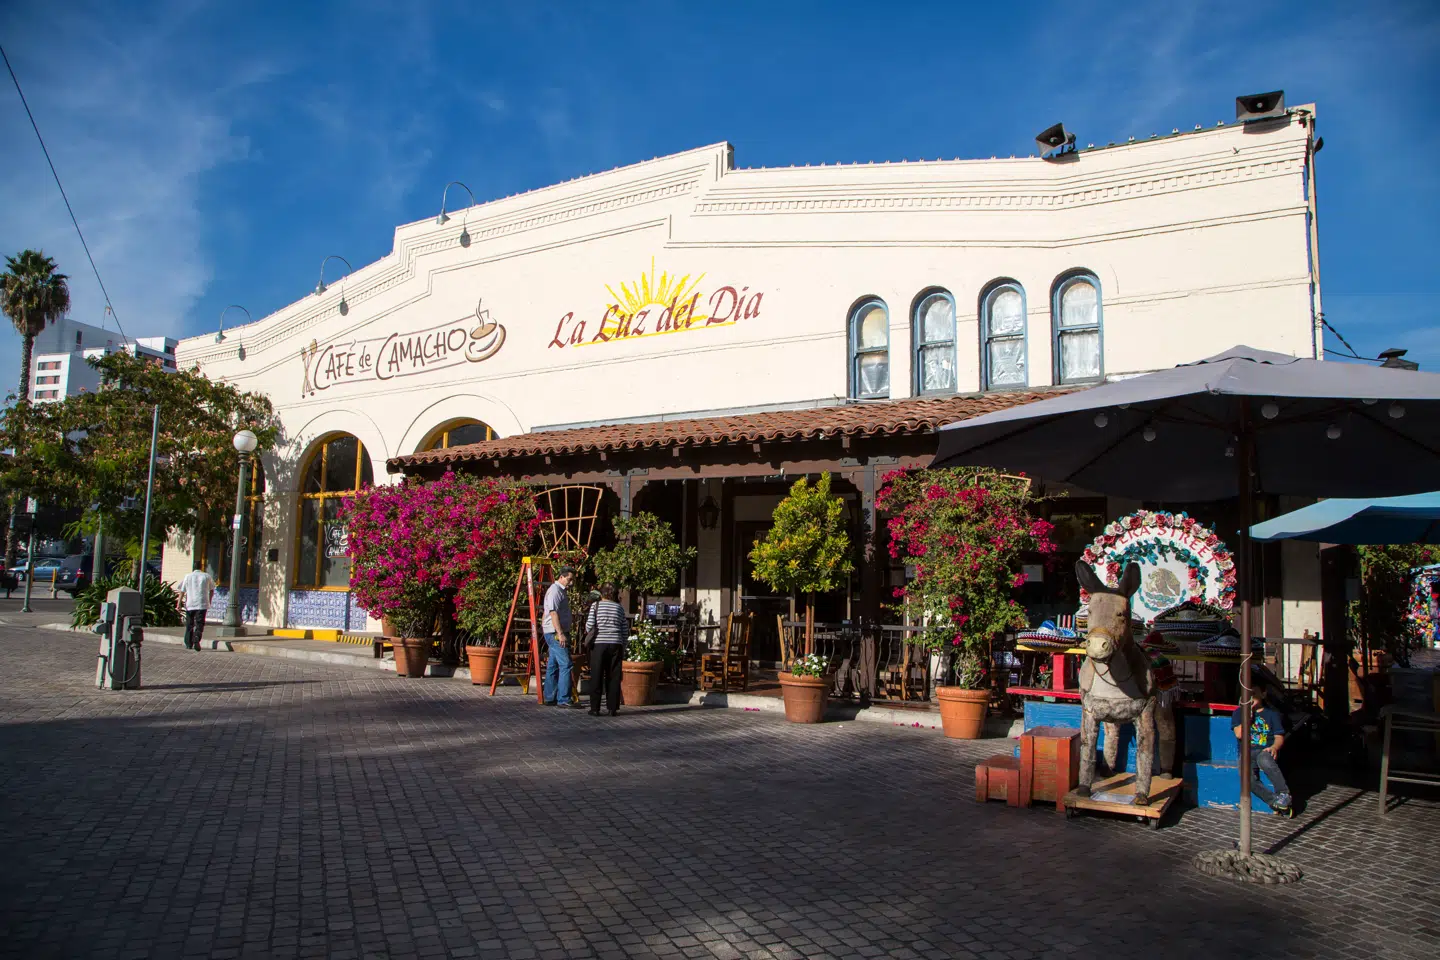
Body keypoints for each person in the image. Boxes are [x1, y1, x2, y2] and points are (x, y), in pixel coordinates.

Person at [1232, 684, 1293, 816]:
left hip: (1264, 749)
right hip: (1246, 752)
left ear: (1263, 694)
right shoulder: (1238, 713)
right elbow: (1239, 734)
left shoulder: (1272, 714)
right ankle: (1275, 801)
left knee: (1265, 759)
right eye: (1246, 694)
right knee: (1248, 781)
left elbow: (1279, 737)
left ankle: (1284, 793)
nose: (1250, 697)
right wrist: (1247, 716)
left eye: (1253, 693)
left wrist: (1274, 747)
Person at [585, 584, 628, 716]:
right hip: (615, 643)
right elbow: (624, 629)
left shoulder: (596, 606)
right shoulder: (619, 608)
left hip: (599, 644)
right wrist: (624, 645)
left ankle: (595, 708)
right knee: (613, 676)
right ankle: (612, 708)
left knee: (597, 675)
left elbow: (589, 626)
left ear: (602, 594)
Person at [542, 566, 579, 707]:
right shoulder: (555, 591)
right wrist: (560, 633)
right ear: (561, 577)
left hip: (553, 631)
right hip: (555, 632)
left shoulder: (560, 591)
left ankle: (550, 696)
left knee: (553, 664)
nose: (571, 583)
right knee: (566, 664)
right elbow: (553, 613)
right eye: (569, 579)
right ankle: (563, 698)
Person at [179, 560, 215, 651]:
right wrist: (209, 600)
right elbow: (212, 589)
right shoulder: (207, 576)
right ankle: (197, 637)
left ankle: (188, 643)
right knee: (200, 623)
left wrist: (178, 603)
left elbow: (182, 591)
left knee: (189, 623)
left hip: (190, 603)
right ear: (201, 567)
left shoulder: (187, 576)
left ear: (193, 567)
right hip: (202, 603)